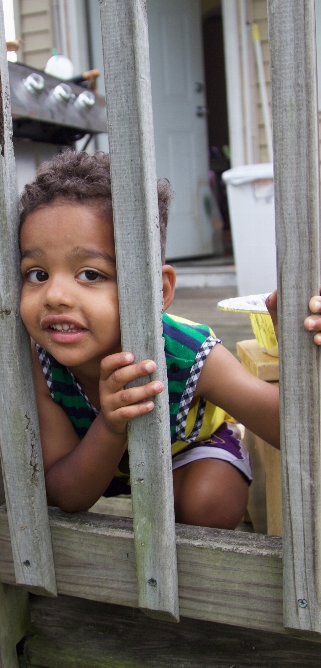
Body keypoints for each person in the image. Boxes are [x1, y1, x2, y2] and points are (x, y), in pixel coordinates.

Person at [18, 150, 281, 530]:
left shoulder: (189, 354)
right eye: (37, 274)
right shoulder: (42, 360)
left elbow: (292, 430)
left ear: (158, 289)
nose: (54, 295)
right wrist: (110, 427)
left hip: (187, 450)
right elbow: (65, 495)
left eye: (90, 274)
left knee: (207, 506)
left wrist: (301, 353)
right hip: (94, 460)